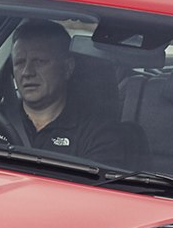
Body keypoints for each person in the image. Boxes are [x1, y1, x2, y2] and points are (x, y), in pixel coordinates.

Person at [8, 19, 129, 165]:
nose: (27, 72)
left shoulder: (97, 135)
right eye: (20, 63)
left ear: (67, 68)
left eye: (39, 61)